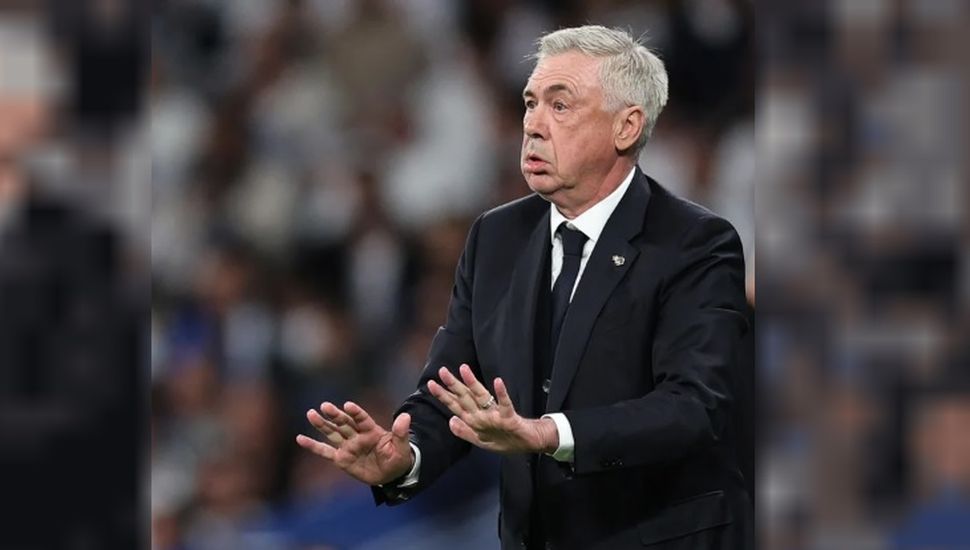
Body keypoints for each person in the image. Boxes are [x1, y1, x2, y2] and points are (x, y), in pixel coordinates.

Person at [297, 25, 752, 549]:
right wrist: (405, 456)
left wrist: (549, 432)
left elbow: (694, 407)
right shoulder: (496, 237)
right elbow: (453, 389)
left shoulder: (695, 244)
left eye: (560, 106)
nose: (533, 125)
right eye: (530, 103)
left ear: (626, 127)